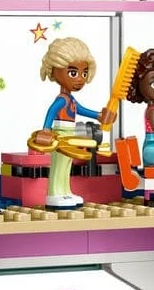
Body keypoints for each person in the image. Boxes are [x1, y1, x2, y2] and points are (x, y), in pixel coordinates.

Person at [29, 38, 116, 208]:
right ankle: (54, 194)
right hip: (60, 135)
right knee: (59, 165)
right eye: (73, 73)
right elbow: (51, 112)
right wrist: (46, 130)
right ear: (55, 71)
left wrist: (99, 116)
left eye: (84, 73)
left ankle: (65, 192)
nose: (80, 80)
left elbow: (81, 110)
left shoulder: (71, 99)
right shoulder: (61, 99)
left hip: (70, 135)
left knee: (67, 164)